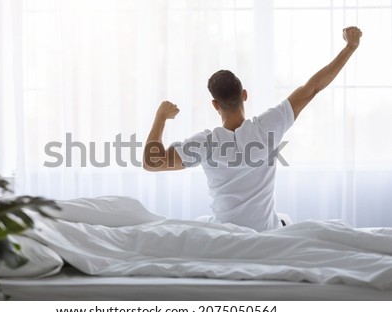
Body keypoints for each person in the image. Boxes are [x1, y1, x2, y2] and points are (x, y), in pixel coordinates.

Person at [143, 27, 362, 232]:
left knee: (202, 223)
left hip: (224, 233)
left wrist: (161, 116)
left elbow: (151, 163)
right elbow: (312, 88)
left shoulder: (205, 143)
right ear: (244, 95)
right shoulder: (268, 126)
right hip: (265, 232)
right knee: (285, 220)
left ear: (215, 105)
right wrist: (349, 48)